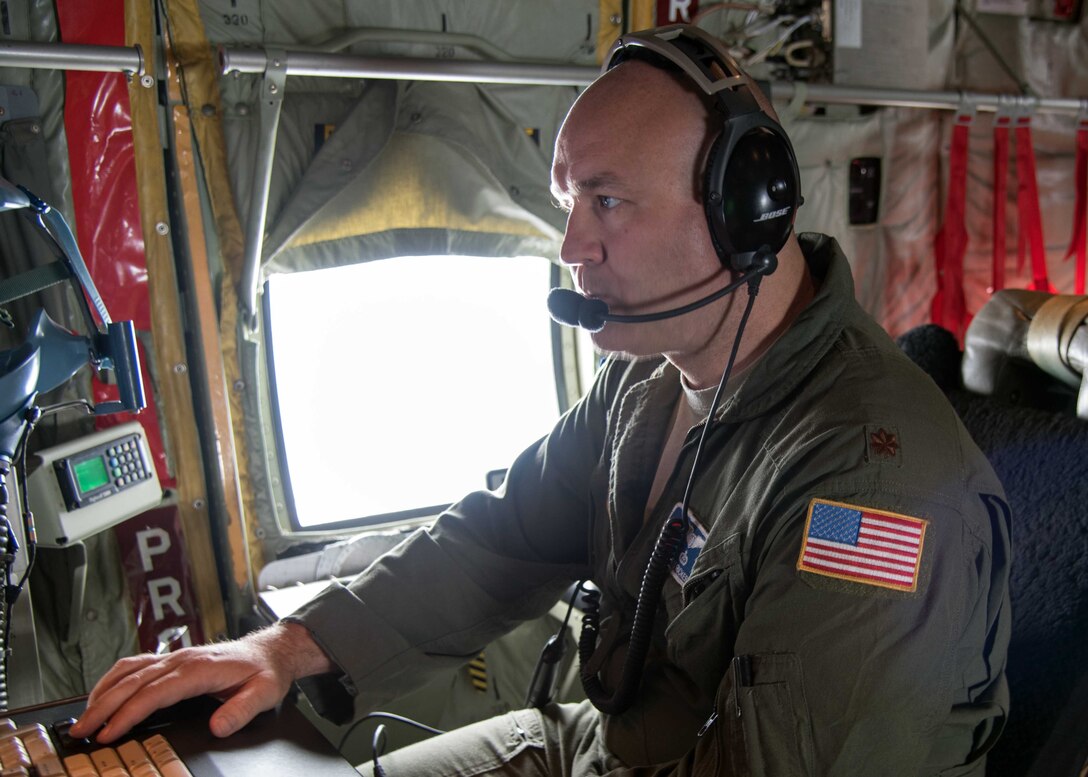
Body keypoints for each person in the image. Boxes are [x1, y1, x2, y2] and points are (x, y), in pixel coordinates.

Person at [71, 24, 1011, 776]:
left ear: (745, 211)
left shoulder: (874, 481)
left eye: (606, 201)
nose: (571, 246)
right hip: (595, 748)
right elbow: (503, 535)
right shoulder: (647, 378)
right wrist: (285, 647)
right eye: (566, 199)